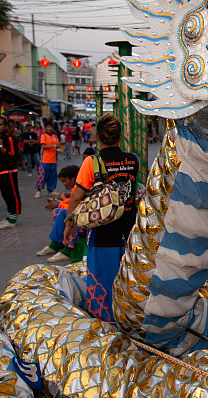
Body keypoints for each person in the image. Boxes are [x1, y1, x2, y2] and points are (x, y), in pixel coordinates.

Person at [64, 113, 139, 322]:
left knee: (102, 283)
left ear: (97, 137)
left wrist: (69, 225)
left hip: (103, 233)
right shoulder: (133, 160)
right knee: (128, 280)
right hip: (130, 232)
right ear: (121, 137)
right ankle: (129, 321)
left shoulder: (91, 163)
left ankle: (105, 328)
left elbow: (76, 198)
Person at [36, 165, 81, 263]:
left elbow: (77, 206)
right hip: (79, 212)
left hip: (84, 215)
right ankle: (56, 244)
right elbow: (71, 201)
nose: (64, 184)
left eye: (65, 181)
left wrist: (59, 203)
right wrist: (59, 203)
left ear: (73, 178)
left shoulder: (80, 186)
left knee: (62, 213)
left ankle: (67, 249)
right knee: (57, 211)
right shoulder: (76, 187)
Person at [0, 116, 21, 229]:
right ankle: (9, 216)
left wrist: (1, 146)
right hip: (1, 171)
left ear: (6, 126)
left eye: (1, 124)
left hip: (9, 171)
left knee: (12, 194)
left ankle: (13, 218)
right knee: (5, 195)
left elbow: (13, 156)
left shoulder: (10, 139)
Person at [35, 121, 60, 198]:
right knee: (42, 176)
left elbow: (57, 146)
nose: (50, 128)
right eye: (48, 127)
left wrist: (60, 149)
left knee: (52, 176)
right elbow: (43, 146)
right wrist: (54, 146)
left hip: (53, 160)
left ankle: (51, 190)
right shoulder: (44, 136)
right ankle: (38, 190)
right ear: (45, 128)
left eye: (51, 127)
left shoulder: (55, 136)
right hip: (45, 160)